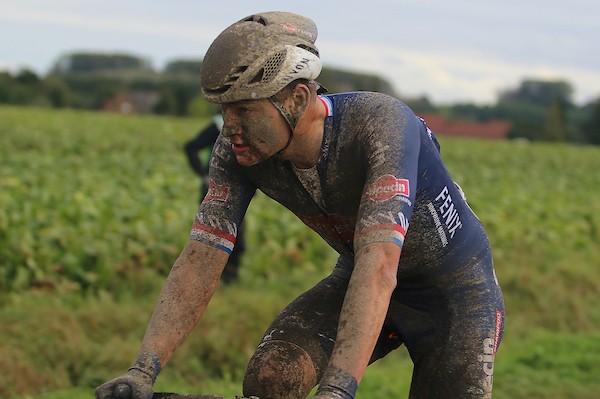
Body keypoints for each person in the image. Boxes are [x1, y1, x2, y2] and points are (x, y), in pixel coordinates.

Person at [95, 11, 504, 399]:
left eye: (244, 110)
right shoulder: (237, 149)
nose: (231, 128)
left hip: (454, 291)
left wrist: (337, 389)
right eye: (224, 111)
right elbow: (202, 256)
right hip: (357, 275)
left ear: (297, 98)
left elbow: (379, 264)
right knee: (272, 377)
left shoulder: (379, 124)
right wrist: (143, 370)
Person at [184, 113, 245, 284]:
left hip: (237, 190)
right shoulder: (219, 125)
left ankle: (229, 279)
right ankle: (208, 280)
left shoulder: (248, 126)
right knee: (213, 237)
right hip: (216, 190)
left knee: (236, 237)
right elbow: (191, 147)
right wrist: (204, 174)